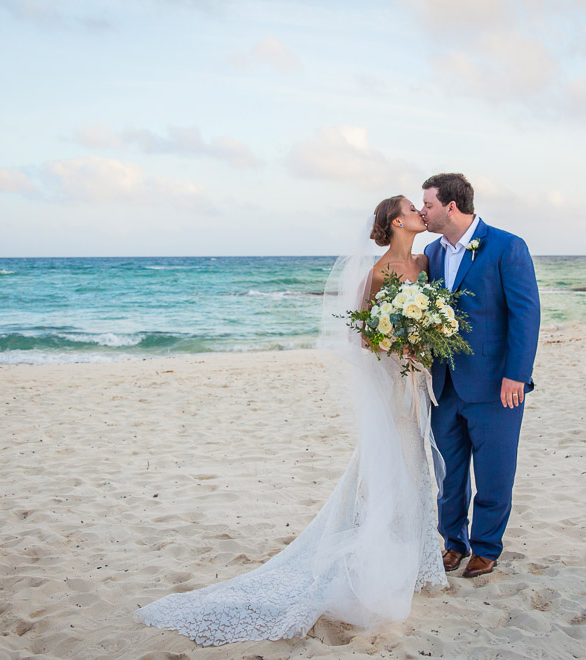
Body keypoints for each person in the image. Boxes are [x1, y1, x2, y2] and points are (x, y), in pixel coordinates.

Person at [133, 195, 448, 645]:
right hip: (395, 381)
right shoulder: (377, 274)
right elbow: (362, 335)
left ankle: (416, 561)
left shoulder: (424, 260)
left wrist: (426, 334)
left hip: (420, 380)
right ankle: (382, 562)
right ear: (398, 221)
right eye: (413, 209)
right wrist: (400, 346)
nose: (421, 212)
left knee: (414, 465)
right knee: (393, 465)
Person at [419, 173, 540, 579]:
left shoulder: (508, 246)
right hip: (444, 385)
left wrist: (517, 376)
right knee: (448, 473)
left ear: (451, 207)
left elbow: (526, 315)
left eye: (429, 205)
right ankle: (453, 543)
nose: (423, 211)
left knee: (494, 471)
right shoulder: (431, 253)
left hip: (495, 384)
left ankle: (486, 548)